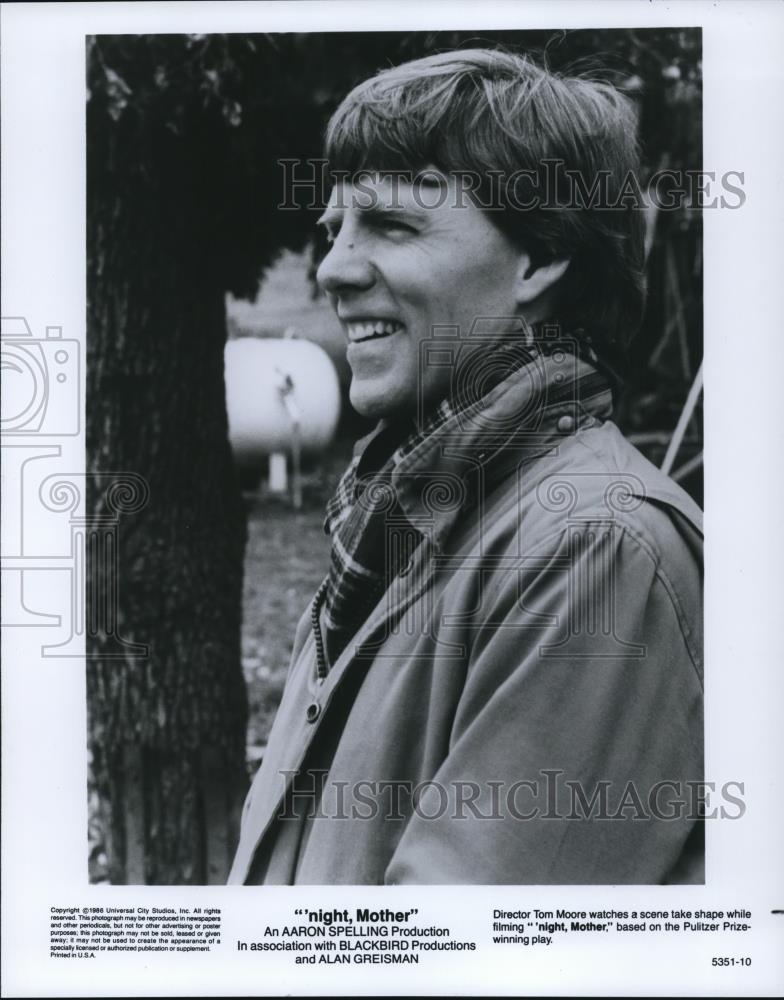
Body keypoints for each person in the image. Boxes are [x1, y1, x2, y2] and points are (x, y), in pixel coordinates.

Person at [228, 49, 703, 885]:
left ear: (538, 259)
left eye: (392, 225)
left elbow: (453, 956)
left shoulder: (595, 551)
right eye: (334, 227)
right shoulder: (394, 517)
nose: (334, 267)